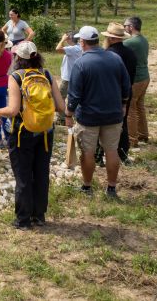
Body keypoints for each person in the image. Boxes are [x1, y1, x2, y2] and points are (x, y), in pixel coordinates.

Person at [0, 41, 65, 229]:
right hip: (45, 132)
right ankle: (39, 216)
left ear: (17, 58)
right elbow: (61, 107)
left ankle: (23, 220)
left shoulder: (15, 77)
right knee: (41, 173)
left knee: (23, 176)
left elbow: (13, 109)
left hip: (22, 133)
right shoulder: (47, 74)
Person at [67, 26, 130, 199]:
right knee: (111, 150)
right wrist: (123, 104)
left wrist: (68, 114)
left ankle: (87, 187)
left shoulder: (81, 63)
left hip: (89, 117)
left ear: (82, 42)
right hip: (113, 114)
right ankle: (111, 188)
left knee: (88, 152)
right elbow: (126, 86)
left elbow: (74, 94)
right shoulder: (115, 58)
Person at [101, 22, 137, 164]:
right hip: (126, 92)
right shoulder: (130, 53)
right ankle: (122, 153)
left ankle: (101, 155)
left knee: (104, 124)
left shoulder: (108, 54)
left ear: (110, 38)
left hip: (110, 94)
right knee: (122, 123)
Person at [123, 16, 150, 146]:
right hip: (145, 77)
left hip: (136, 79)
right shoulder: (144, 40)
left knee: (130, 109)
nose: (124, 28)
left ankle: (132, 139)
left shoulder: (130, 42)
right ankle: (143, 135)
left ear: (131, 27)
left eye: (125, 26)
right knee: (140, 107)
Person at [55, 31, 82, 123]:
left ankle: (61, 118)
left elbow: (58, 49)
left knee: (61, 96)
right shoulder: (79, 47)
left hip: (68, 78)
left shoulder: (73, 49)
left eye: (67, 37)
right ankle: (75, 116)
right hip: (75, 77)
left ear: (70, 39)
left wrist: (62, 39)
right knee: (75, 97)